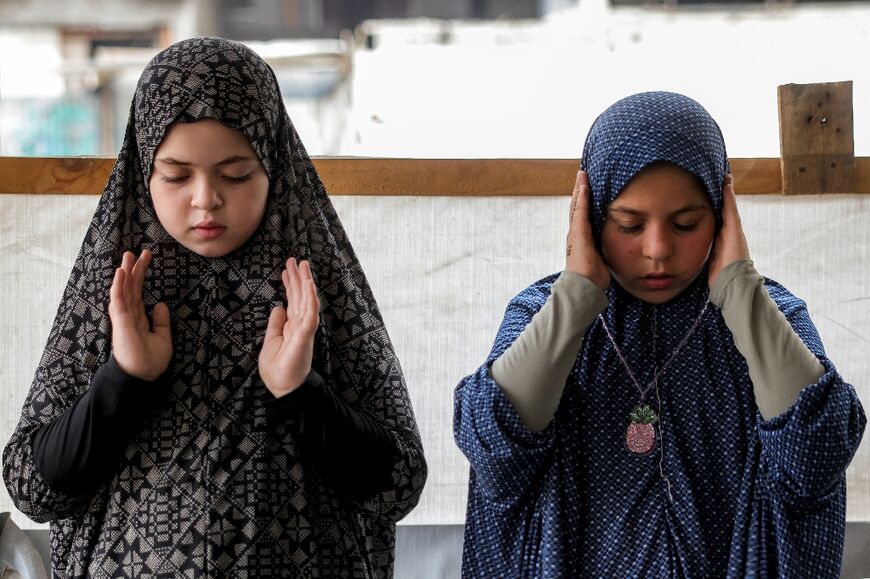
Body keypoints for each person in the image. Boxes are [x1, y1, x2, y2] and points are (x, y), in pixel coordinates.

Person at [3, 37, 426, 578]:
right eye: (176, 175)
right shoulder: (116, 294)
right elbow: (33, 490)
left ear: (274, 167)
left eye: (236, 174)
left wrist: (301, 392)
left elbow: (398, 487)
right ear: (142, 173)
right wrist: (124, 378)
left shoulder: (315, 295)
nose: (206, 199)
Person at [453, 91, 865, 578]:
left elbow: (816, 453)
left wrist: (740, 292)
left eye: (687, 223)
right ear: (591, 215)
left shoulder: (769, 314)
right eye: (628, 225)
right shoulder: (541, 313)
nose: (658, 250)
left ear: (722, 213)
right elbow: (494, 454)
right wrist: (575, 298)